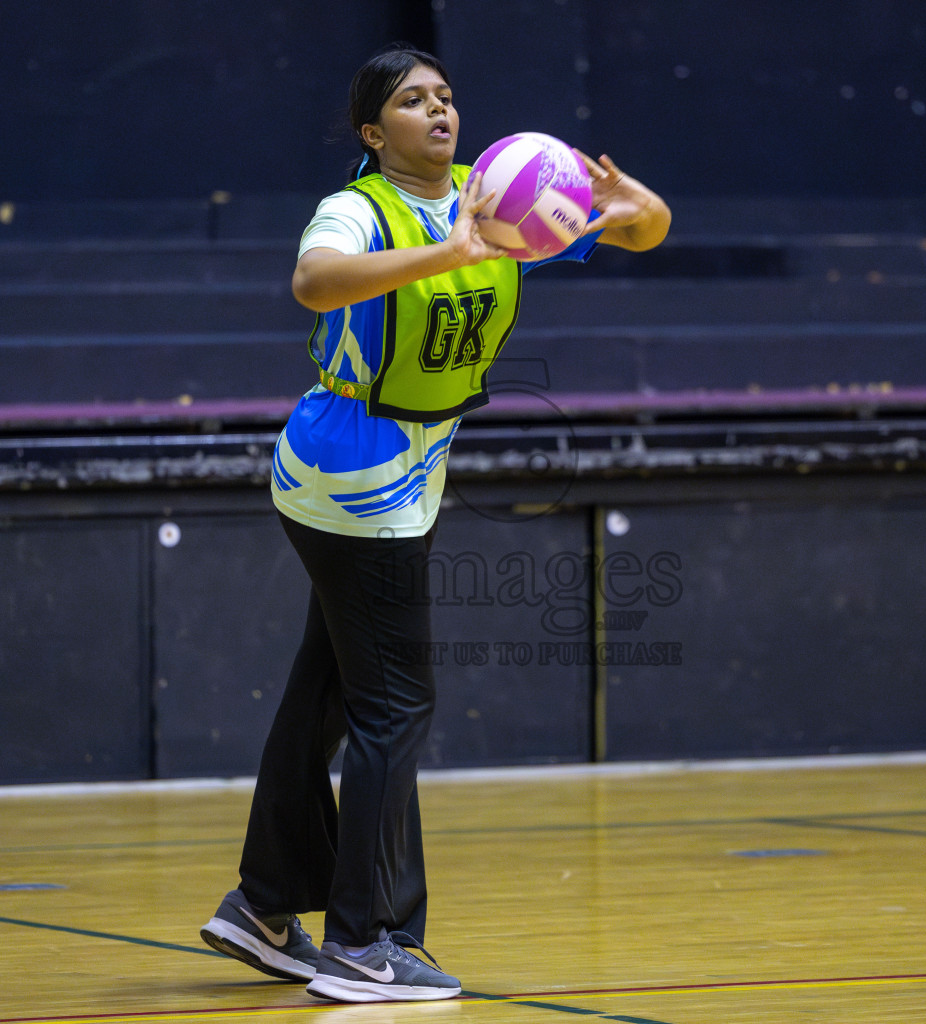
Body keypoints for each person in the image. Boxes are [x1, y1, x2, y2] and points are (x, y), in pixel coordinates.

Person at [199, 45, 670, 1004]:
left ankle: (262, 907)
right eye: (414, 102)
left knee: (329, 694)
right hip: (351, 472)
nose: (440, 111)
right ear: (376, 133)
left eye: (447, 96)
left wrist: (632, 199)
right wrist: (450, 252)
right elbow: (315, 283)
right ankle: (368, 942)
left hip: (402, 470)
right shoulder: (359, 208)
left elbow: (647, 232)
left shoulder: (498, 193)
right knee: (394, 707)